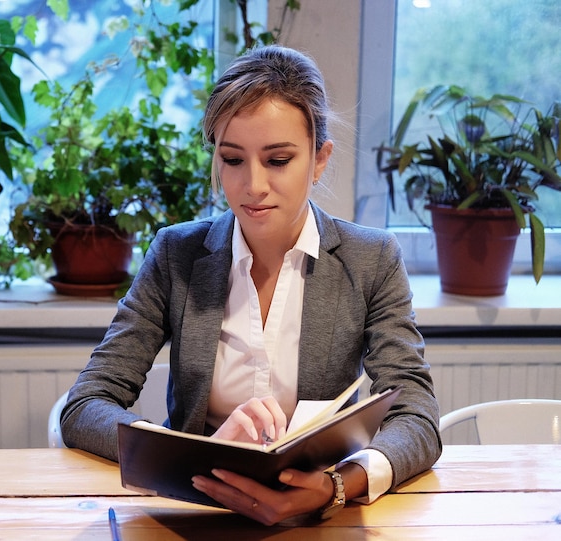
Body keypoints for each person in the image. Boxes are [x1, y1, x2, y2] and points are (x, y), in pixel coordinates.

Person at [61, 44, 442, 526]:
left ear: (319, 159)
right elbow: (85, 404)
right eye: (233, 159)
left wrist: (334, 487)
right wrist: (193, 455)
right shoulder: (176, 254)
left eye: (278, 160)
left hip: (318, 518)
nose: (252, 186)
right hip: (192, 514)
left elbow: (417, 418)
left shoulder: (372, 260)